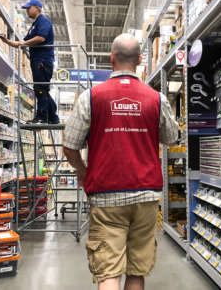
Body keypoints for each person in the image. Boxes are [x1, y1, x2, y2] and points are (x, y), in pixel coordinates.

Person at [63, 33, 178, 290]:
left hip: (106, 195)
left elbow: (69, 146)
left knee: (109, 271)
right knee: (137, 271)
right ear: (139, 60)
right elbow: (171, 138)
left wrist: (82, 172)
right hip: (146, 195)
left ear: (111, 59)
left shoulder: (90, 98)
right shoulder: (156, 99)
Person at [0, 0, 59, 124]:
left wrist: (23, 43)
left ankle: (42, 117)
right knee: (42, 89)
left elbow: (41, 38)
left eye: (29, 8)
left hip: (43, 60)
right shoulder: (34, 25)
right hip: (37, 60)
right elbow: (22, 43)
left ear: (37, 8)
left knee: (41, 89)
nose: (27, 10)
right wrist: (7, 41)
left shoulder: (43, 22)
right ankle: (53, 117)